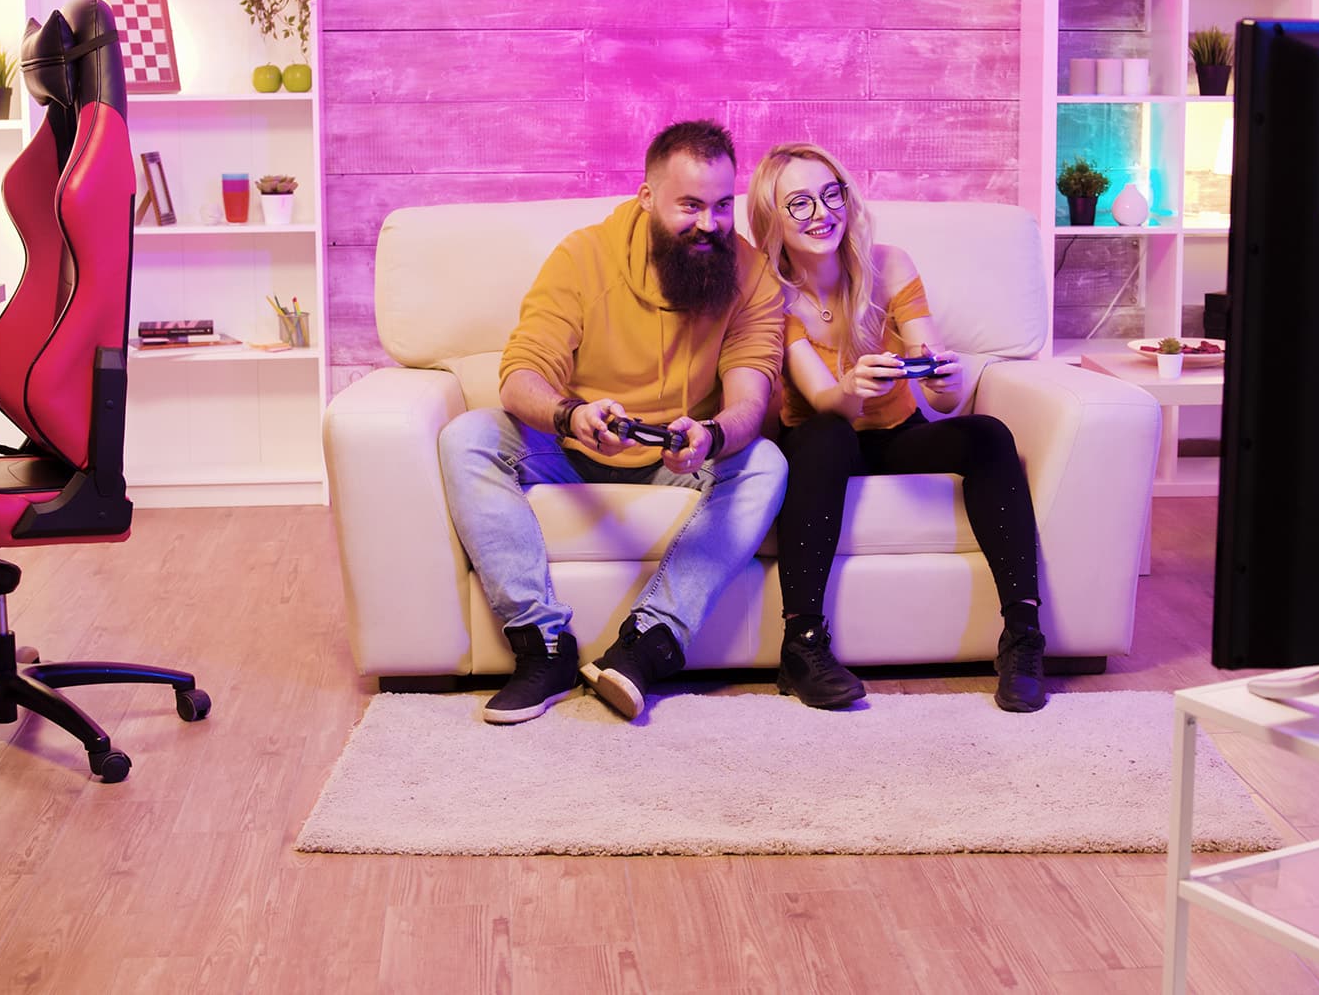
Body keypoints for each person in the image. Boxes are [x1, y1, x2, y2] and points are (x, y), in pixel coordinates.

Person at [438, 120, 789, 726]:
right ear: (647, 196)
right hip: (574, 442)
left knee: (765, 462)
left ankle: (646, 648)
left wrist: (713, 435)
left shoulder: (751, 274)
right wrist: (570, 415)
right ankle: (542, 646)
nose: (711, 224)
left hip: (678, 455)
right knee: (468, 437)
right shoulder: (583, 256)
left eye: (723, 205)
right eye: (690, 205)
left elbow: (750, 397)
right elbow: (521, 371)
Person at [747, 142, 1048, 713]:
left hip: (897, 432)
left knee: (988, 434)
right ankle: (803, 642)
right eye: (800, 204)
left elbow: (942, 387)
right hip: (821, 442)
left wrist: (942, 378)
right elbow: (820, 398)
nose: (822, 213)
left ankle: (1023, 636)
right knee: (828, 434)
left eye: (831, 194)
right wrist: (856, 389)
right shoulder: (771, 293)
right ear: (773, 221)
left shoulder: (890, 265)